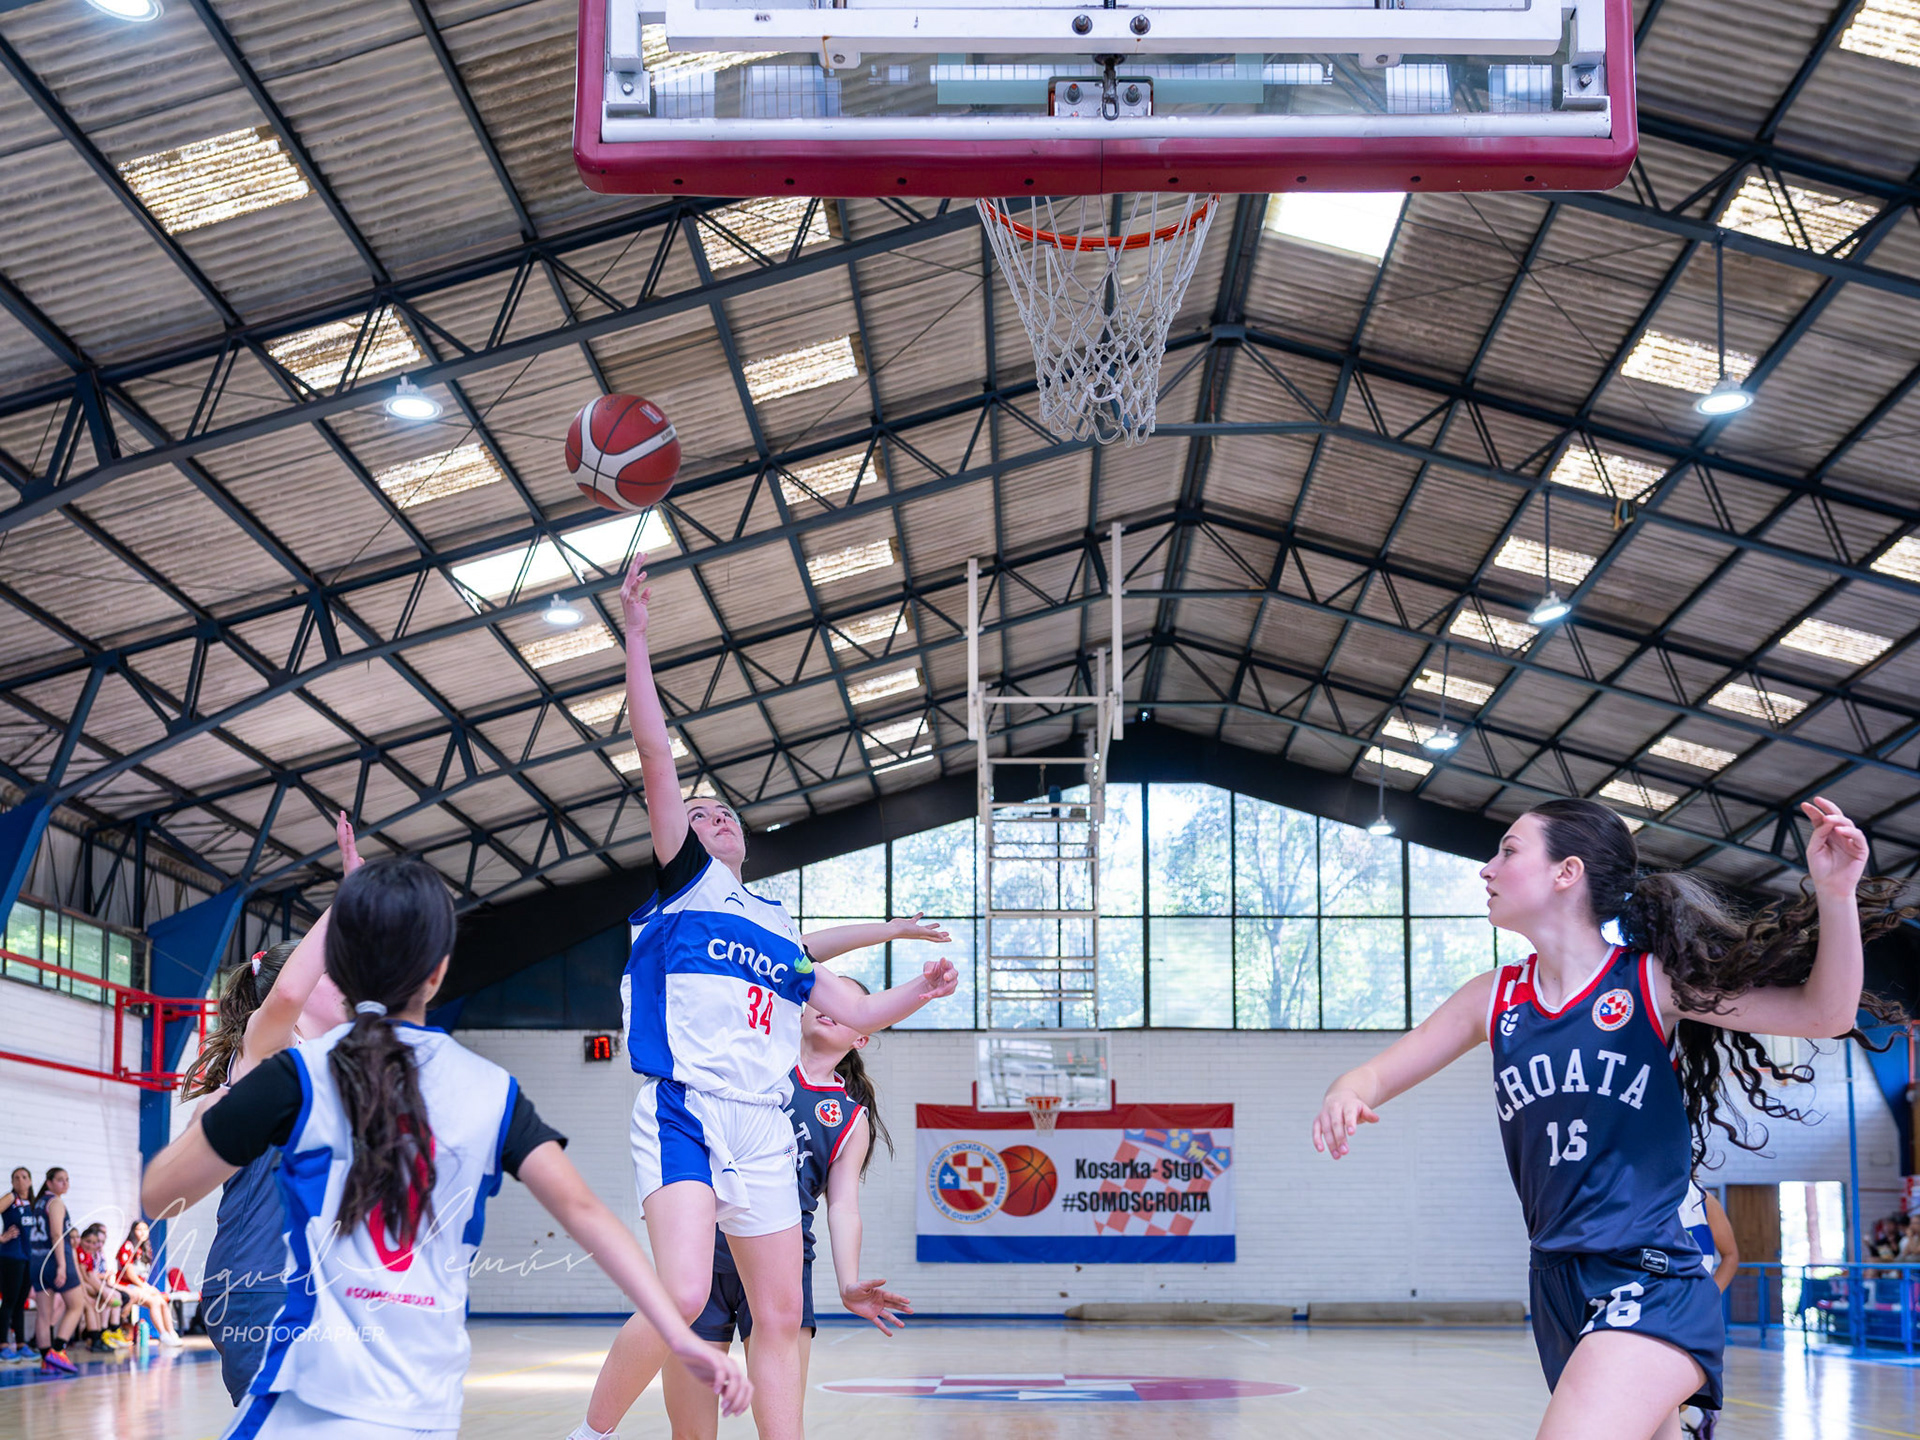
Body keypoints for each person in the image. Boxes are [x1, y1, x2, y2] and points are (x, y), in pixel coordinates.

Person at [1311, 795, 1904, 1440]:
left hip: (1648, 1276)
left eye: (1508, 851)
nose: (1486, 868)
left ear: (1567, 872)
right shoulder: (1495, 997)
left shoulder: (1648, 984)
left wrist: (1837, 893)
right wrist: (1346, 1092)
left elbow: (1823, 1015)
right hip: (1555, 1279)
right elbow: (1374, 1074)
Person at [141, 856, 751, 1440]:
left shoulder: (380, 1076)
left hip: (354, 1305)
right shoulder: (283, 1060)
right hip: (266, 1285)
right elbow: (284, 1000)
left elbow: (583, 1212)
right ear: (437, 973)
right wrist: (352, 904)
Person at [567, 552, 958, 1440]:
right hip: (687, 1108)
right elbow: (656, 753)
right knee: (685, 1290)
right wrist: (636, 639)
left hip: (762, 1120)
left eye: (725, 813)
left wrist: (917, 985)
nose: (716, 818)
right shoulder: (682, 892)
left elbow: (850, 1012)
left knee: (781, 1316)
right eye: (701, 815)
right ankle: (588, 1432)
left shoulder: (771, 921)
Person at [643, 988, 910, 1440]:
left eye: (847, 1002)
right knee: (689, 1433)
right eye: (826, 995)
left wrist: (849, 1281)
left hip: (780, 1272)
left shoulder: (849, 1117)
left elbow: (843, 1206)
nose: (830, 1005)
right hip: (702, 1257)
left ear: (862, 1036)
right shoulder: (748, 1065)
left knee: (782, 1432)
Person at [179, 811, 360, 1401]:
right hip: (257, 1284)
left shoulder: (323, 1061)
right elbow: (286, 990)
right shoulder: (265, 1047)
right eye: (335, 975)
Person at [1678, 1184, 1739, 1440]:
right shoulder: (1634, 1191)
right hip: (1647, 1308)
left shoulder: (1702, 1200)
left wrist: (1710, 1296)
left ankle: (1695, 1419)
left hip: (1693, 1314)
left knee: (1674, 1389)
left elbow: (1730, 1255)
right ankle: (1695, 1418)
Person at [28, 1167, 84, 1375]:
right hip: (55, 1260)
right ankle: (58, 1350)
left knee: (44, 1314)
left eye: (67, 1180)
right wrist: (61, 1265)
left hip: (37, 1261)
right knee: (77, 1305)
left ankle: (46, 1361)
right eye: (60, 1180)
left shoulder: (38, 1203)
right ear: (49, 1182)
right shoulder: (56, 1202)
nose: (65, 1184)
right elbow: (56, 1234)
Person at [114, 1220, 183, 1346]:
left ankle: (171, 1332)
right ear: (133, 1231)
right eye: (139, 1229)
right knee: (154, 1302)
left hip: (139, 1285)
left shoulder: (145, 1248)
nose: (143, 1232)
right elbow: (129, 1274)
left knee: (162, 1300)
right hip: (126, 1285)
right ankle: (162, 1334)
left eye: (145, 1229)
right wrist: (146, 1287)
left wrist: (146, 1287)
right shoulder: (128, 1246)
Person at [75, 1225, 129, 1353]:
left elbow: (91, 1276)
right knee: (96, 1301)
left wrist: (104, 1292)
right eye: (88, 1241)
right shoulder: (80, 1252)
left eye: (94, 1243)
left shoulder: (88, 1254)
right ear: (81, 1240)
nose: (91, 1245)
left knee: (107, 1297)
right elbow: (84, 1277)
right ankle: (98, 1336)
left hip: (86, 1283)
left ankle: (102, 1334)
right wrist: (102, 1291)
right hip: (76, 1285)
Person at [0, 1166, 32, 1360]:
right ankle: (3, 1344)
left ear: (30, 1181)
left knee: (21, 1303)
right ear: (12, 1182)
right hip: (11, 1258)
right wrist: (1, 1238)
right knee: (9, 1302)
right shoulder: (11, 1198)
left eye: (24, 1177)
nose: (20, 1181)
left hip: (28, 1259)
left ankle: (21, 1344)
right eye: (16, 1178)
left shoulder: (32, 1203)